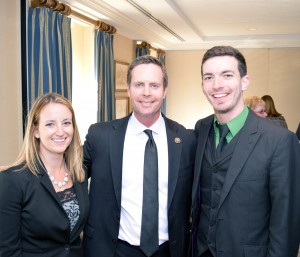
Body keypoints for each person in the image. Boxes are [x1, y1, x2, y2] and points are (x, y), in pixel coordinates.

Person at [190, 46, 300, 257]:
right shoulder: (200, 129)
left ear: (244, 82)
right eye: (208, 77)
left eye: (227, 75)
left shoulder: (280, 141)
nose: (217, 85)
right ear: (202, 85)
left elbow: (286, 225)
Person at [82, 55, 196, 257]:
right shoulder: (100, 136)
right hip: (114, 250)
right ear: (128, 88)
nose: (146, 93)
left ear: (165, 91)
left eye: (154, 85)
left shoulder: (187, 140)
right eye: (139, 84)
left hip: (169, 251)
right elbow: (68, 174)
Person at [0, 93, 89, 256]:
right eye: (50, 124)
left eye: (66, 123)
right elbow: (7, 251)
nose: (60, 132)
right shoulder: (13, 181)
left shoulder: (79, 173)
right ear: (36, 131)